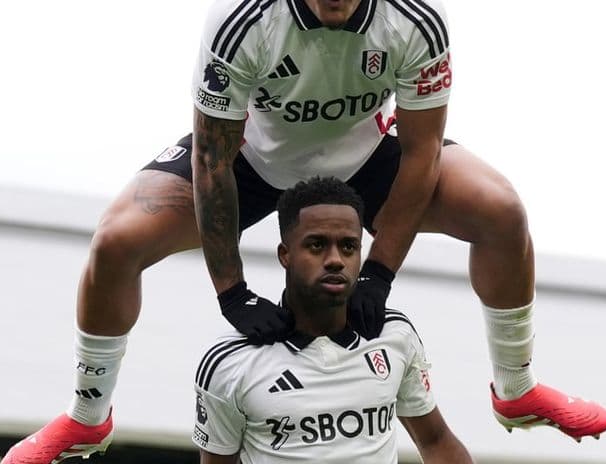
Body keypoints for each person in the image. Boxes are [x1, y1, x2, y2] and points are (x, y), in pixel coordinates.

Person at [2, 0, 606, 462]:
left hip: (369, 156)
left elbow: (422, 152)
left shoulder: (416, 20)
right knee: (114, 243)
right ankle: (87, 417)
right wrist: (231, 291)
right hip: (251, 161)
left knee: (502, 211)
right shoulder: (242, 21)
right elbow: (213, 160)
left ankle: (516, 389)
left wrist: (379, 273)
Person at [193, 176, 471, 464]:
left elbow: (435, 440)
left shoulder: (393, 334)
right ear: (285, 254)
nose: (336, 260)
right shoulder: (230, 362)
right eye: (317, 246)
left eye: (349, 247)